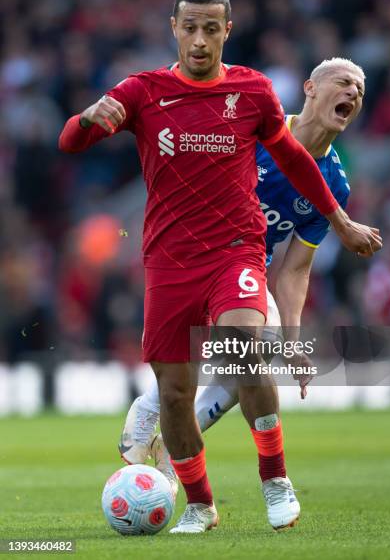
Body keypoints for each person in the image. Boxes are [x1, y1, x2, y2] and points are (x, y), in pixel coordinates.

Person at [59, 0, 381, 533]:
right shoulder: (144, 91)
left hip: (236, 253)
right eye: (191, 27)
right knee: (177, 391)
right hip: (167, 260)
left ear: (227, 31)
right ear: (175, 29)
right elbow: (70, 144)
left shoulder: (253, 95)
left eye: (213, 28)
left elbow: (297, 235)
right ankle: (200, 504)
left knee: (249, 352)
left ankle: (275, 481)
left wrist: (340, 222)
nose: (201, 39)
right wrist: (89, 117)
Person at [119, 55, 371, 503]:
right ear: (310, 89)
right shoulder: (260, 129)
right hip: (189, 251)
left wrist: (293, 342)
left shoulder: (335, 183)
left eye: (360, 89)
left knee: (256, 355)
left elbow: (294, 269)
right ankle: (154, 404)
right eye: (343, 81)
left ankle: (165, 433)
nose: (353, 91)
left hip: (244, 262)